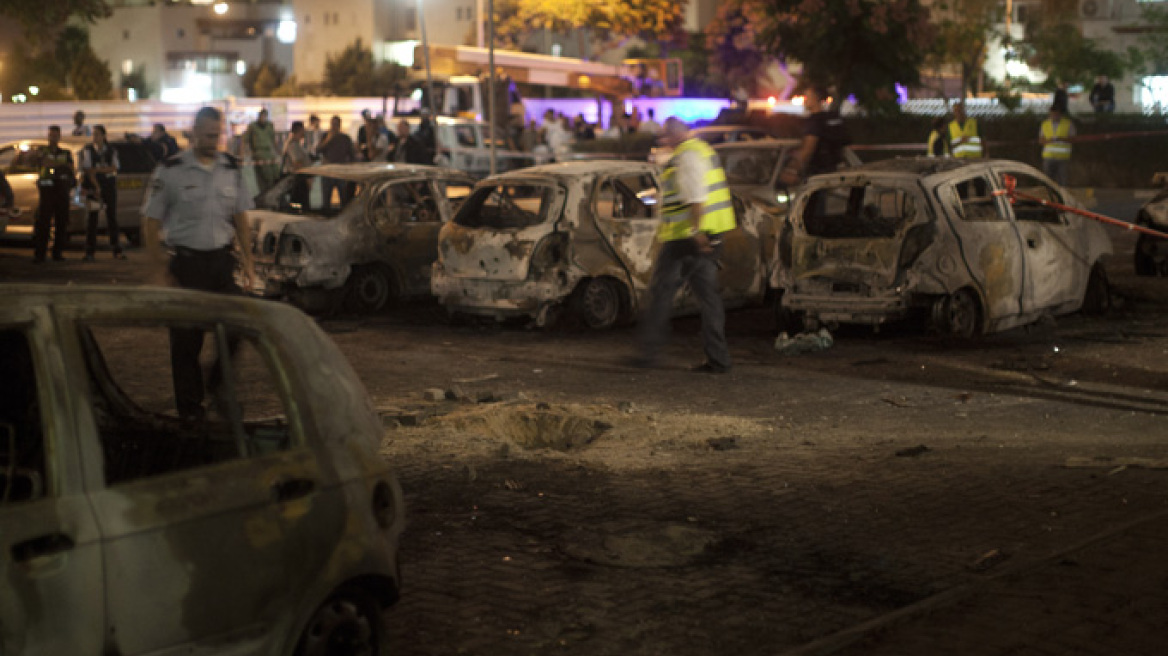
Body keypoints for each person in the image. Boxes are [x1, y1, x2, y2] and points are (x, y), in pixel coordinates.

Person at [141, 106, 255, 421]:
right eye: (207, 134)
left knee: (238, 324)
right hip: (187, 265)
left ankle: (217, 382)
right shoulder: (171, 169)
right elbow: (150, 221)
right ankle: (190, 411)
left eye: (217, 134)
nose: (213, 139)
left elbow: (240, 216)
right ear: (193, 131)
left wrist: (248, 260)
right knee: (185, 343)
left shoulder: (230, 168)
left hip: (220, 263)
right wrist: (158, 267)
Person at [634, 117, 736, 374]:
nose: (661, 142)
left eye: (664, 137)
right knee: (708, 298)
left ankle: (649, 353)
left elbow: (697, 196)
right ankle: (718, 359)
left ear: (673, 135)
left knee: (661, 293)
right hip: (703, 236)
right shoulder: (701, 150)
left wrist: (695, 231)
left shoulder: (686, 157)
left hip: (687, 239)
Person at [780, 86, 852, 185]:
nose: (805, 100)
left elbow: (808, 149)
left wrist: (791, 170)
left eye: (807, 97)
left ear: (815, 98)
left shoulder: (814, 121)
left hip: (818, 173)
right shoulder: (832, 118)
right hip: (835, 169)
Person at [80, 125, 124, 260]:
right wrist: (96, 186)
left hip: (109, 187)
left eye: (98, 134)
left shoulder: (111, 150)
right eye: (94, 134)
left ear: (104, 136)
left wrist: (98, 170)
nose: (95, 137)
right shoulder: (88, 150)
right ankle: (90, 251)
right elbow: (88, 170)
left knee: (112, 218)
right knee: (92, 219)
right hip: (94, 188)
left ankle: (116, 249)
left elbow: (114, 168)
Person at [32, 125, 75, 263]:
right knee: (43, 223)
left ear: (59, 136)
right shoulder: (42, 150)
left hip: (61, 191)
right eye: (51, 135)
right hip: (47, 191)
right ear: (48, 136)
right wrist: (59, 167)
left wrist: (54, 167)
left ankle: (57, 253)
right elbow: (45, 163)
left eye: (56, 135)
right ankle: (40, 254)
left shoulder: (66, 152)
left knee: (61, 223)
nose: (53, 138)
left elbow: (69, 168)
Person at [315, 115, 357, 207]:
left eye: (336, 124)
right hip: (327, 172)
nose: (334, 127)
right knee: (326, 200)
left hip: (340, 172)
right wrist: (328, 140)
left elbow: (352, 155)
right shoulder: (325, 136)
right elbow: (318, 150)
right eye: (332, 124)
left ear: (339, 125)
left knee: (344, 199)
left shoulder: (345, 138)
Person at [244, 108, 280, 193]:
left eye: (265, 116)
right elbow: (245, 140)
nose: (263, 118)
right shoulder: (252, 126)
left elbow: (273, 139)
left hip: (269, 152)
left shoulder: (269, 125)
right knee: (265, 176)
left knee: (276, 174)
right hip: (258, 152)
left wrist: (278, 152)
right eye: (262, 116)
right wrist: (245, 153)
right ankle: (266, 193)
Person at [1039, 105, 1075, 187]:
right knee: (1047, 179)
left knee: (1062, 179)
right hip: (1048, 157)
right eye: (1052, 114)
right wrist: (1049, 141)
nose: (1054, 116)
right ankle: (1049, 195)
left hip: (1062, 157)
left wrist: (1061, 139)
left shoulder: (1068, 124)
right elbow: (1041, 140)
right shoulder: (1045, 124)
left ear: (1060, 114)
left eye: (1056, 114)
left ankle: (1062, 197)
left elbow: (1073, 139)